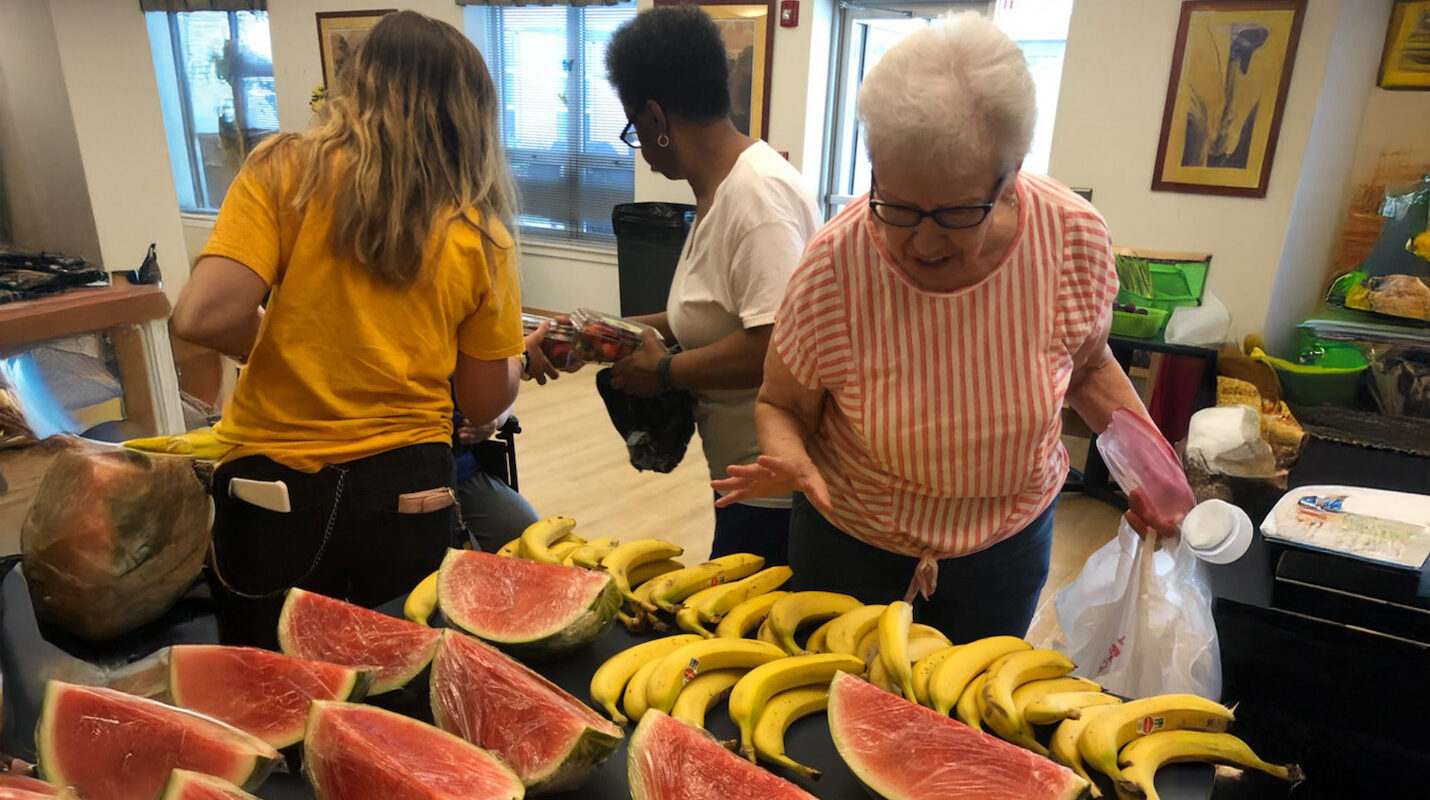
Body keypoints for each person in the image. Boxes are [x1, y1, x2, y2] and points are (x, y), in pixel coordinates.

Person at [713, 12, 1179, 645]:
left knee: (972, 728)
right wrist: (790, 456)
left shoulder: (1072, 239)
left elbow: (1090, 367)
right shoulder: (836, 263)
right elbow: (781, 402)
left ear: (1010, 175)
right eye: (897, 206)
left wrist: (1151, 468)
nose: (921, 241)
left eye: (957, 212)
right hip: (853, 542)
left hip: (1005, 548)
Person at [170, 11, 529, 648]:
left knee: (269, 685)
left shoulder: (284, 171)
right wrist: (512, 368)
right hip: (408, 492)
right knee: (393, 690)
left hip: (272, 486)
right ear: (470, 113)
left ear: (355, 85)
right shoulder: (481, 231)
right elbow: (479, 402)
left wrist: (293, 344)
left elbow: (202, 316)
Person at [599, 6, 821, 565]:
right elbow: (708, 313)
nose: (640, 143)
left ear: (655, 117)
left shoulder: (757, 197)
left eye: (633, 128)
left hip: (772, 491)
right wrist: (601, 332)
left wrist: (664, 371)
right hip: (741, 479)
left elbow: (776, 346)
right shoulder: (721, 189)